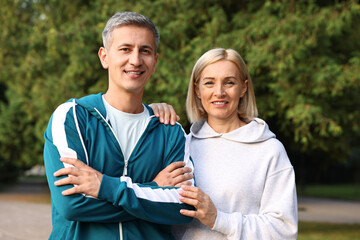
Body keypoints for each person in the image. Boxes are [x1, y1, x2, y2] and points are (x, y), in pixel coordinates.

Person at [43, 11, 194, 240]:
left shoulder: (170, 129)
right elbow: (72, 204)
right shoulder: (72, 117)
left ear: (155, 62)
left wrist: (105, 187)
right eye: (125, 49)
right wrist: (153, 188)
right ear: (104, 57)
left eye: (145, 51)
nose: (135, 60)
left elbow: (184, 207)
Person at [151, 48, 298, 239]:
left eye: (229, 82)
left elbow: (283, 230)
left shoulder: (269, 150)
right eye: (209, 83)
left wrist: (218, 219)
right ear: (197, 89)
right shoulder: (181, 147)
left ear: (243, 88)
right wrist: (147, 115)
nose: (219, 92)